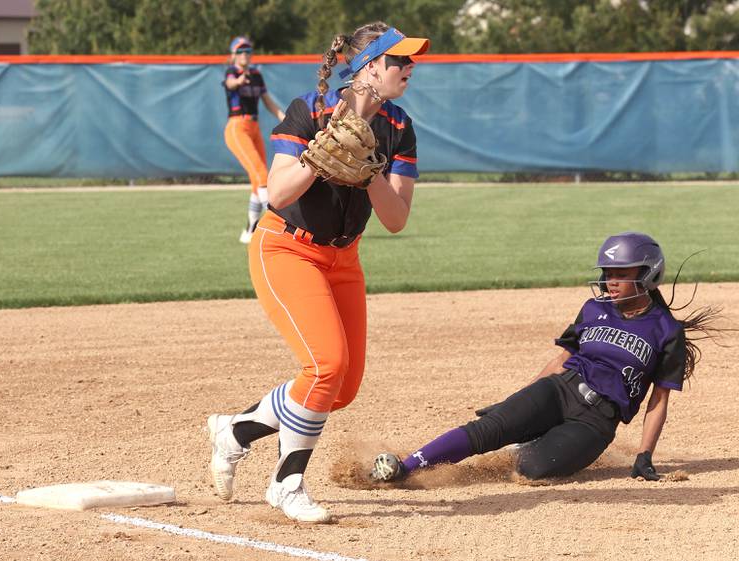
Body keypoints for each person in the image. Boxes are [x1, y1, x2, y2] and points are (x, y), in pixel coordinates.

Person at [207, 23, 430, 523]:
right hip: (287, 248)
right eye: (400, 60)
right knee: (324, 367)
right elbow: (279, 193)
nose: (410, 68)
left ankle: (235, 432)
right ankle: (287, 484)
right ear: (370, 66)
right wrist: (320, 153)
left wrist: (370, 169)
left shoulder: (399, 127)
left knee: (342, 387)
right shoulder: (310, 110)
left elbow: (395, 220)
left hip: (343, 259)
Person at [371, 232, 724, 483]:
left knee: (533, 469)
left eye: (621, 273)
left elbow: (658, 401)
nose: (610, 280)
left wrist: (644, 455)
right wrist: (514, 400)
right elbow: (560, 360)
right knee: (488, 429)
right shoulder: (593, 309)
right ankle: (406, 466)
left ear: (648, 274)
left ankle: (528, 442)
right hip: (561, 389)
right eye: (607, 272)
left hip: (596, 423)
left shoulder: (666, 331)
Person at [222, 36, 286, 244]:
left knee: (256, 182)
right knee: (261, 174)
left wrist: (285, 118)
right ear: (233, 54)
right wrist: (238, 81)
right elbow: (230, 83)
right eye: (240, 51)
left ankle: (250, 230)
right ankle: (277, 221)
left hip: (254, 126)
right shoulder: (232, 72)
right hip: (237, 127)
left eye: (248, 51)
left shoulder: (257, 75)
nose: (244, 55)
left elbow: (268, 102)